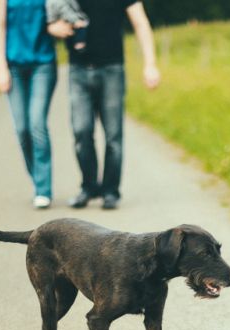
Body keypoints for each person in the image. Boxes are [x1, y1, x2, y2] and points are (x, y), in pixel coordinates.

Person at [48, 0, 160, 210]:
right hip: (78, 70)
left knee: (113, 136)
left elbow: (141, 23)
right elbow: (51, 17)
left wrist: (150, 64)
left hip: (112, 69)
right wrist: (53, 28)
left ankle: (110, 191)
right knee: (81, 132)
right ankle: (88, 188)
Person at [0, 0, 57, 209]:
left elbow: (57, 17)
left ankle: (43, 189)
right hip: (13, 66)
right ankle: (37, 179)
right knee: (21, 129)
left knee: (37, 124)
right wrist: (1, 68)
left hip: (43, 64)